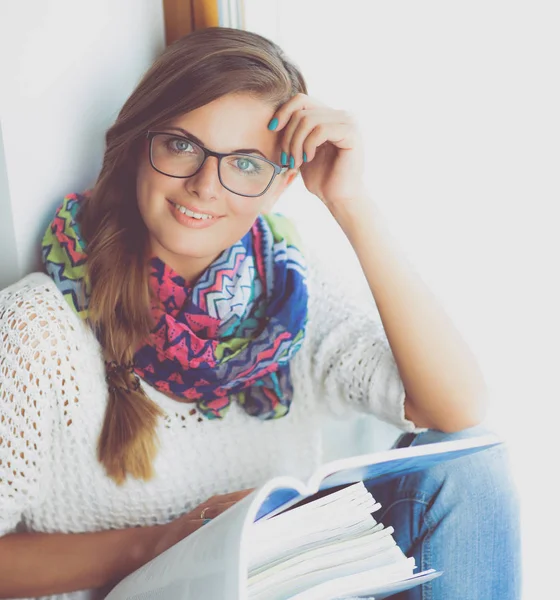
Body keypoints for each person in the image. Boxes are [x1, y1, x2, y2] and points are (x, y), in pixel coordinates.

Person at [0, 27, 519, 600]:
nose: (204, 186)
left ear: (281, 183)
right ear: (137, 145)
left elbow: (454, 410)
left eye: (245, 163)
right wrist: (162, 543)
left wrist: (351, 204)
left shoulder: (287, 294)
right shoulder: (36, 328)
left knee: (468, 466)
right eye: (181, 145)